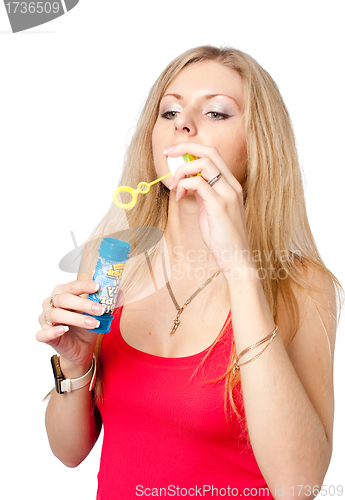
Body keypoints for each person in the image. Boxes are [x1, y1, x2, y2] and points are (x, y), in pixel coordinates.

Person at [37, 45, 343, 499]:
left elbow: (298, 486)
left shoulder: (302, 286)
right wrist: (76, 366)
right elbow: (69, 452)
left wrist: (241, 269)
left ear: (256, 145)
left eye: (217, 113)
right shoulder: (110, 262)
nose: (183, 123)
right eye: (170, 111)